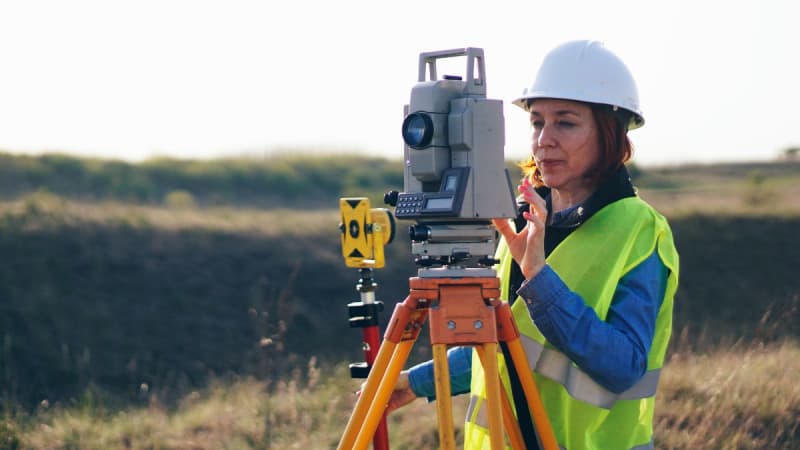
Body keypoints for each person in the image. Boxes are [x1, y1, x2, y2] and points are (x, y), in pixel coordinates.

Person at [386, 40, 680, 450]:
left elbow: (623, 367)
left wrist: (540, 281)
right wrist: (413, 384)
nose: (544, 139)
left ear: (610, 132)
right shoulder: (522, 222)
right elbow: (511, 347)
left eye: (566, 123)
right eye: (537, 122)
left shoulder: (638, 229)